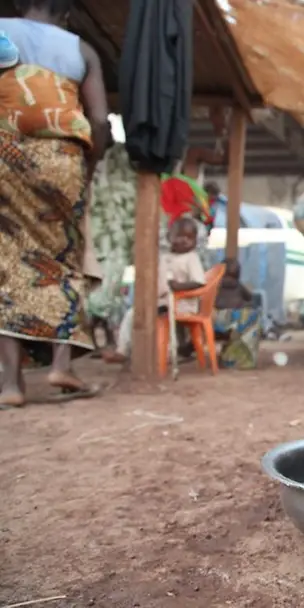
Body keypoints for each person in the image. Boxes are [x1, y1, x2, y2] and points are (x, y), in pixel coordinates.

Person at [0, 0, 109, 408]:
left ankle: (11, 385)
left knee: (7, 261)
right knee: (65, 257)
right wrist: (89, 163)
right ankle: (61, 365)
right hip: (61, 159)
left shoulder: (2, 31)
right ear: (66, 13)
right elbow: (99, 121)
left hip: (5, 152)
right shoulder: (80, 49)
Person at [103, 217, 205, 365]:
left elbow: (199, 282)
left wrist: (178, 286)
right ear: (169, 237)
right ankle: (122, 351)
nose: (185, 240)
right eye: (180, 236)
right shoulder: (165, 257)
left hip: (181, 303)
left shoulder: (191, 258)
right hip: (162, 301)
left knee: (158, 318)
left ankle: (168, 352)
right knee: (132, 313)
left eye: (190, 237)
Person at [212, 258, 261, 370]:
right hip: (236, 320)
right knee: (251, 314)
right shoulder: (238, 285)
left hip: (220, 320)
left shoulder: (216, 284)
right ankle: (243, 358)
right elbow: (250, 297)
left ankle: (229, 357)